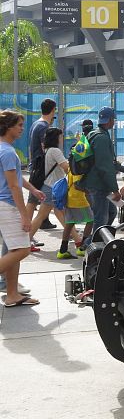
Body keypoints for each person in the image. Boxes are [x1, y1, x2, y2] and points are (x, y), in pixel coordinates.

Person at [0, 109, 43, 307]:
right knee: (24, 250)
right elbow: (13, 186)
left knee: (15, 249)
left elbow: (15, 178)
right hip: (7, 205)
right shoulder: (8, 152)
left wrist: (33, 189)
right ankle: (11, 293)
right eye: (19, 125)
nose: (22, 129)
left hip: (4, 204)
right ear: (8, 126)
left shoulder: (4, 149)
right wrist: (25, 216)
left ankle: (12, 295)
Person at [29, 128, 77, 253]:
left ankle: (77, 239)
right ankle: (25, 241)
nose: (62, 139)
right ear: (56, 138)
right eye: (60, 137)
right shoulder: (55, 151)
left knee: (61, 214)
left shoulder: (47, 150)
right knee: (41, 216)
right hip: (52, 188)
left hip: (50, 187)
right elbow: (66, 168)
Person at [81, 107, 124, 238]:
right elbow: (104, 167)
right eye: (113, 120)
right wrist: (115, 190)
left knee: (111, 213)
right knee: (101, 219)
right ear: (110, 120)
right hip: (98, 185)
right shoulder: (102, 138)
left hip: (94, 182)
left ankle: (100, 240)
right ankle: (92, 244)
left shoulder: (94, 133)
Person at [27, 98, 57, 230]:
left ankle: (43, 221)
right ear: (53, 110)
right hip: (41, 167)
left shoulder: (36, 124)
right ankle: (27, 230)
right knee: (33, 200)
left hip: (35, 164)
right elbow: (46, 147)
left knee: (40, 198)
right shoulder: (44, 127)